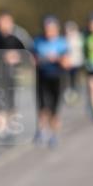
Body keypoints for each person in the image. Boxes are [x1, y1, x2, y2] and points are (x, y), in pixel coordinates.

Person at [0, 10, 32, 142]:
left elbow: (28, 54)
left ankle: (11, 127)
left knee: (11, 102)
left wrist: (17, 57)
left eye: (6, 21)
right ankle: (1, 131)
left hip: (12, 74)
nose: (3, 25)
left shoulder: (19, 36)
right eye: (0, 22)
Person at [32, 15, 70, 147]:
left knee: (54, 109)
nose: (48, 31)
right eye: (46, 28)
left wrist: (57, 58)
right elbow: (32, 59)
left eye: (51, 29)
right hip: (42, 77)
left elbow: (67, 63)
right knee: (42, 106)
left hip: (57, 77)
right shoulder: (38, 41)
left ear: (56, 29)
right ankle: (41, 131)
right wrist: (40, 59)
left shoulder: (62, 43)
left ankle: (54, 135)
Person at [63, 20, 84, 104]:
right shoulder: (65, 39)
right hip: (68, 64)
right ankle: (69, 94)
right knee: (68, 80)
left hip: (76, 63)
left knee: (75, 79)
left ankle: (75, 93)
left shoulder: (79, 38)